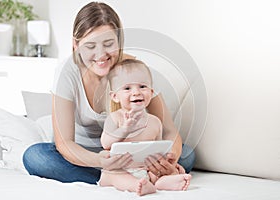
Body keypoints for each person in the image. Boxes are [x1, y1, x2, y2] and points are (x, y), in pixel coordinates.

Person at [22, 1, 195, 185]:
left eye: (108, 43)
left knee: (187, 155)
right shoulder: (67, 72)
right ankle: (115, 178)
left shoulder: (136, 71)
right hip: (84, 156)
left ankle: (131, 176)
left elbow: (170, 132)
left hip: (129, 155)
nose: (101, 54)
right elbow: (65, 143)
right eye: (90, 46)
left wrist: (168, 161)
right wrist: (99, 161)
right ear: (76, 45)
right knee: (36, 156)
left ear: (119, 42)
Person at [99, 59, 191, 196]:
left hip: (144, 168)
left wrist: (167, 159)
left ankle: (162, 182)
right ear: (115, 97)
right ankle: (136, 185)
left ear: (151, 92)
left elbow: (158, 148)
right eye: (127, 88)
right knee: (113, 174)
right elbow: (105, 143)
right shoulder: (115, 118)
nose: (136, 92)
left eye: (142, 86)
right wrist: (125, 129)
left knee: (157, 172)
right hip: (119, 169)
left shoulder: (155, 122)